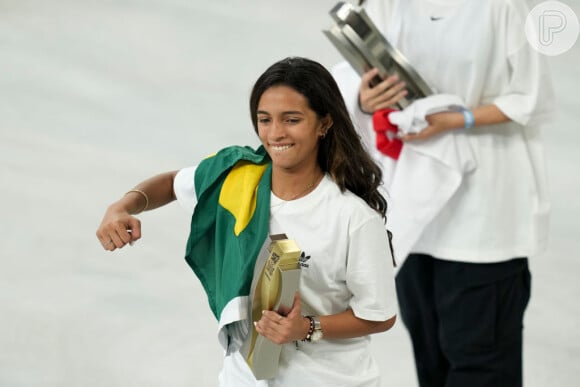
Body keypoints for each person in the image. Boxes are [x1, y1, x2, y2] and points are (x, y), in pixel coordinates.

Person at [96, 57, 398, 386]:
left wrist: (307, 327)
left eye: (292, 120)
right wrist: (122, 206)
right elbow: (171, 183)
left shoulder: (353, 218)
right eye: (264, 119)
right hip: (243, 378)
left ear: (324, 123)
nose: (275, 133)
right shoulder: (237, 180)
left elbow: (378, 315)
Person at [331, 0, 555, 386]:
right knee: (430, 356)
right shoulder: (387, 4)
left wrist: (460, 117)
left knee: (482, 364)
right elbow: (349, 74)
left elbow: (533, 96)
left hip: (484, 218)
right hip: (415, 214)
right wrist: (364, 97)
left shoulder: (504, 7)